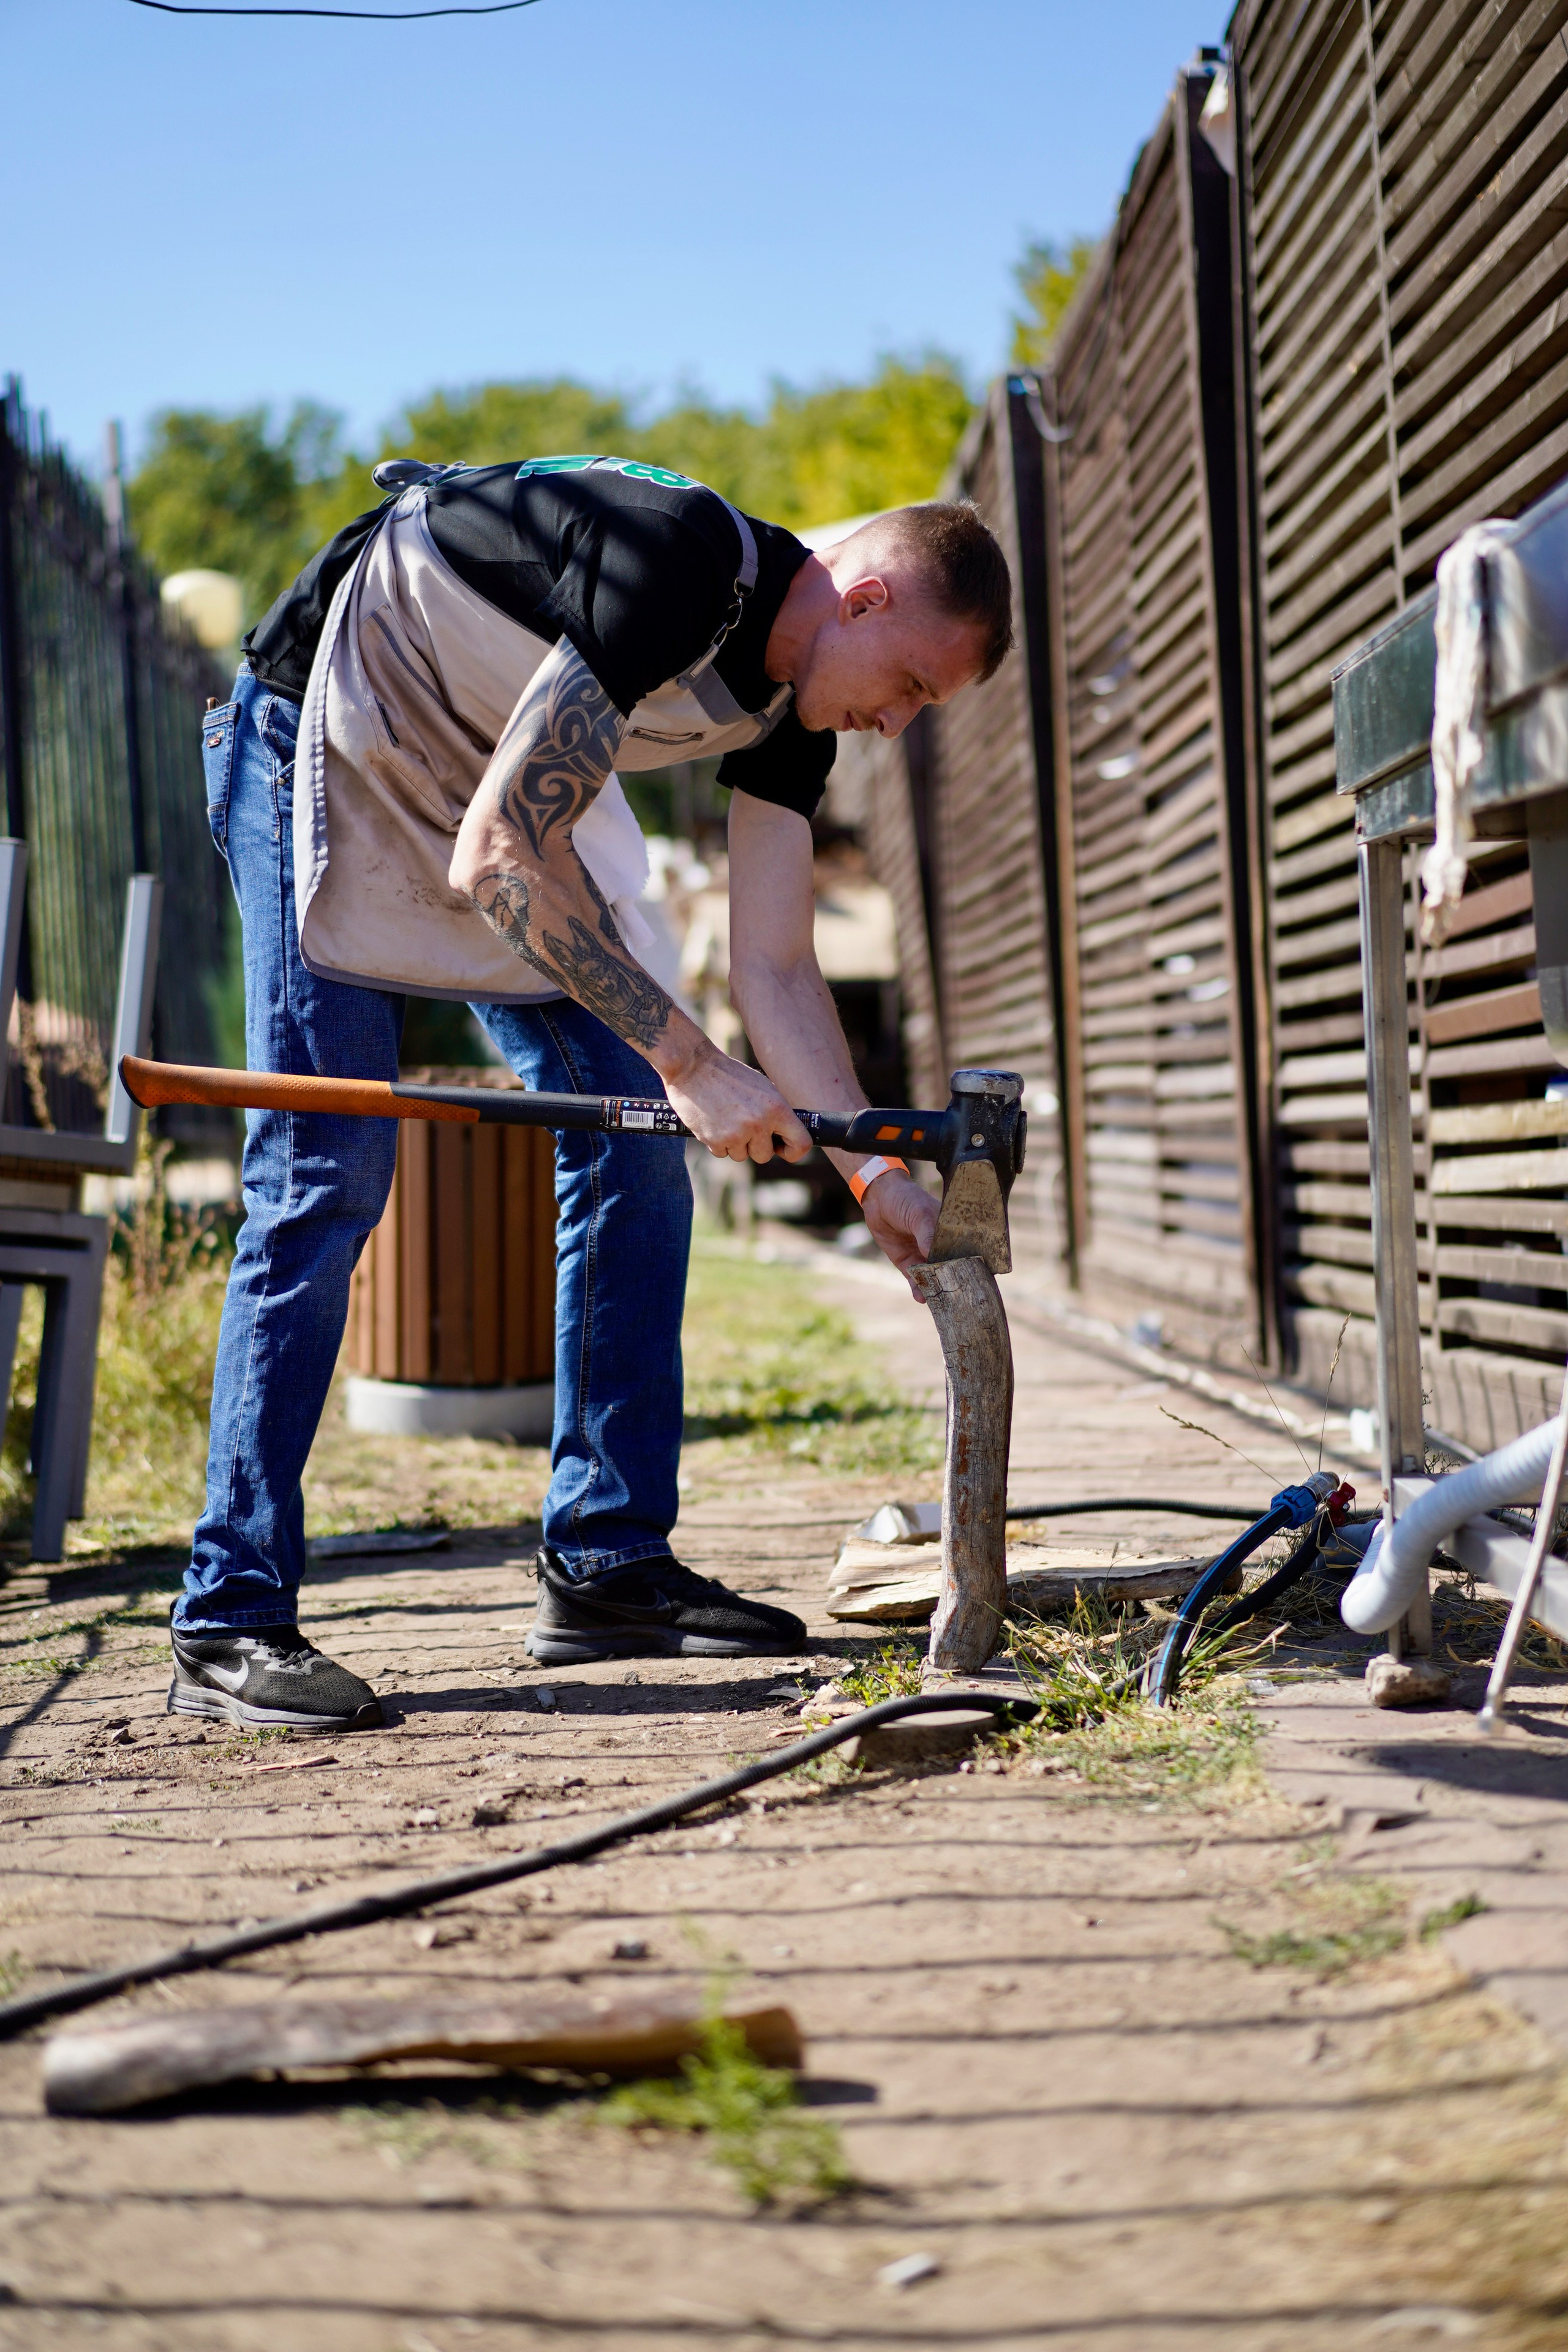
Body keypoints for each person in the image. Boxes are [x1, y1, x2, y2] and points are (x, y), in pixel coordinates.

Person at [167, 454, 1013, 1731]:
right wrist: (692, 1063)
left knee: (631, 1155)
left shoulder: (796, 699)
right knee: (323, 1172)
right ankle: (227, 1618)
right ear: (865, 597)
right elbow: (505, 856)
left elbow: (777, 967)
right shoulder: (675, 561)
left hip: (485, 797)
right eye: (906, 688)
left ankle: (606, 1565)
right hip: (320, 738)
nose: (894, 728)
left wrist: (876, 1179)